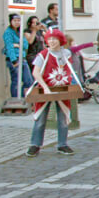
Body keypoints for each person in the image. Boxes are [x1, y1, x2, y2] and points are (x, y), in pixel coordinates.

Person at [25, 29, 79, 157]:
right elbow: (36, 73)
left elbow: (69, 69)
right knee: (41, 118)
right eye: (49, 39)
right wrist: (45, 87)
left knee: (63, 118)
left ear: (60, 40)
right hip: (45, 90)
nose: (52, 41)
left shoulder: (66, 53)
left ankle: (62, 144)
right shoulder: (43, 55)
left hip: (62, 89)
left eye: (54, 39)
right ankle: (35, 144)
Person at [3, 13, 34, 98]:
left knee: (29, 81)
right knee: (16, 81)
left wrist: (17, 45)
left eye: (18, 20)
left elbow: (25, 45)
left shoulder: (20, 32)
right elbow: (9, 47)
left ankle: (21, 97)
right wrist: (13, 60)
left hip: (22, 58)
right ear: (11, 21)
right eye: (15, 21)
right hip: (14, 59)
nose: (17, 22)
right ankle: (15, 99)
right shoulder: (8, 32)